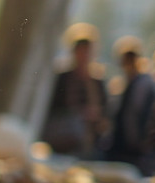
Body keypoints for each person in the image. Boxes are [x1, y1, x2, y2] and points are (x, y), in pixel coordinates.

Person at [42, 28, 109, 158]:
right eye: (81, 52)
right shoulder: (62, 79)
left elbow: (105, 114)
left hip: (89, 142)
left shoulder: (97, 83)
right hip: (63, 139)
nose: (84, 56)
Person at [104, 37, 155, 174]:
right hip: (122, 145)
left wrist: (141, 142)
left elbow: (140, 115)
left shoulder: (144, 84)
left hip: (136, 148)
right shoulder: (122, 84)